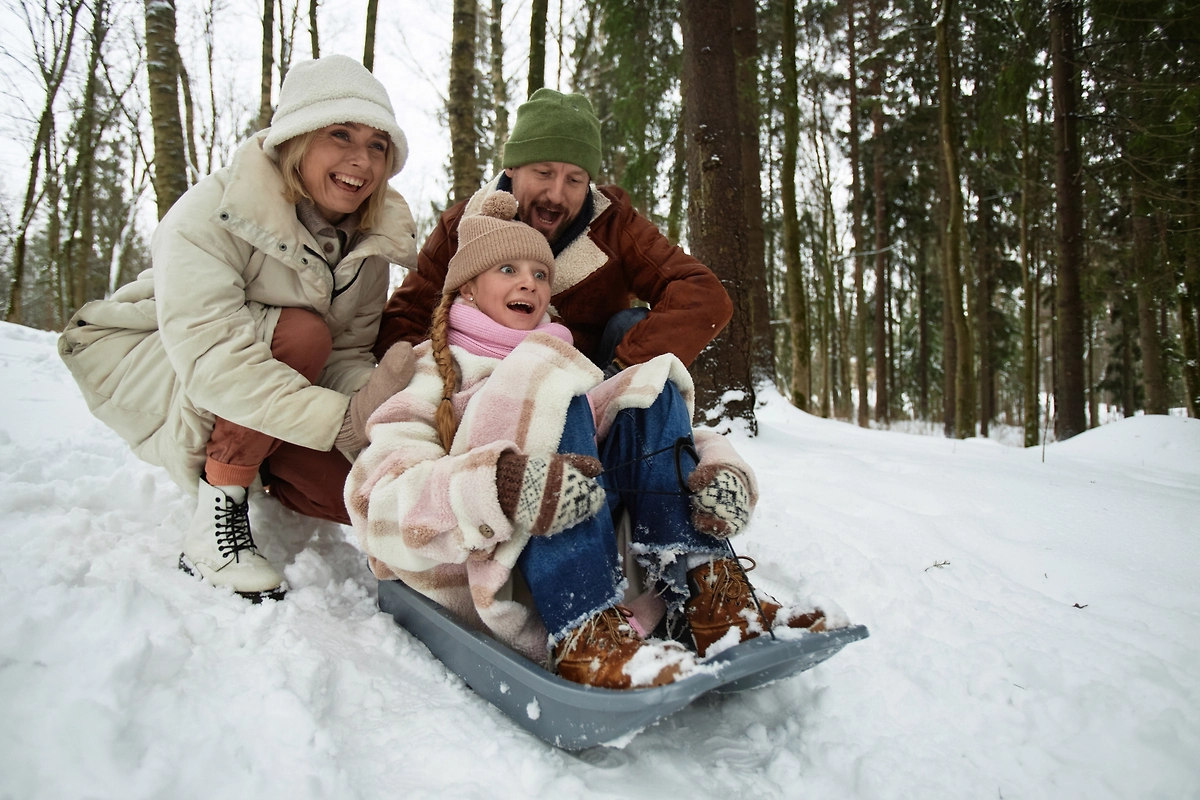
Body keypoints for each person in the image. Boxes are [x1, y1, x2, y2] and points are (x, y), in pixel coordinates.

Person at [347, 192, 828, 690]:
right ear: (467, 288)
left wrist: (717, 472)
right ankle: (584, 629)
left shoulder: (565, 369)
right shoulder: (430, 374)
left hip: (613, 558)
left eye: (540, 274)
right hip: (504, 574)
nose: (528, 283)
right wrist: (501, 488)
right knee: (552, 381)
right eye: (508, 268)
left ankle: (707, 595)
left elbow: (658, 443)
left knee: (649, 384)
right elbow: (374, 500)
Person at [58, 55, 419, 603]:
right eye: (340, 134)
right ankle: (216, 521)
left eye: (377, 145)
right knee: (303, 334)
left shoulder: (368, 244)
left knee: (355, 487)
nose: (360, 160)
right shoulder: (210, 212)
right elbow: (214, 362)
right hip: (156, 364)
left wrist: (371, 418)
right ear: (296, 139)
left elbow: (346, 353)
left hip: (261, 390)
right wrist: (337, 419)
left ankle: (263, 470)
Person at [373, 88, 733, 377]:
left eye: (574, 180)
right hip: (482, 386)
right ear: (512, 167)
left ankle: (640, 456)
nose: (557, 195)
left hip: (588, 389)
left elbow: (703, 297)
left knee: (632, 324)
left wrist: (619, 371)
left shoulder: (614, 224)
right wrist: (447, 385)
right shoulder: (463, 224)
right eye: (543, 173)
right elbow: (401, 323)